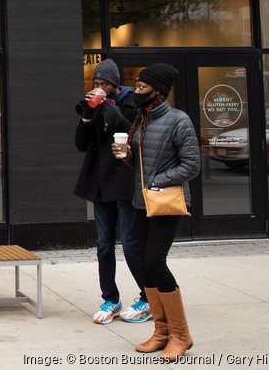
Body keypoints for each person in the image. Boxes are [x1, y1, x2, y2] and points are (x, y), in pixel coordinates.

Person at [111, 63, 200, 362]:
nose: (136, 91)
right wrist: (126, 156)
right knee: (142, 262)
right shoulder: (141, 119)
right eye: (136, 86)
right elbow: (141, 162)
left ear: (157, 92)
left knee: (154, 261)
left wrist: (155, 181)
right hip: (141, 202)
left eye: (141, 87)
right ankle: (161, 332)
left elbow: (191, 166)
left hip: (165, 201)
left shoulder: (179, 121)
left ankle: (181, 334)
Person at [73, 59, 150, 324]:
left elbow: (128, 130)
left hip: (125, 183)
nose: (99, 88)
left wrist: (106, 107)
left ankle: (148, 296)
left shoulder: (131, 104)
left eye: (104, 84)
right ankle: (110, 298)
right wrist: (86, 114)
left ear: (115, 85)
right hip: (101, 184)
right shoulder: (96, 105)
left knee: (130, 243)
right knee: (104, 244)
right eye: (95, 84)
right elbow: (81, 144)